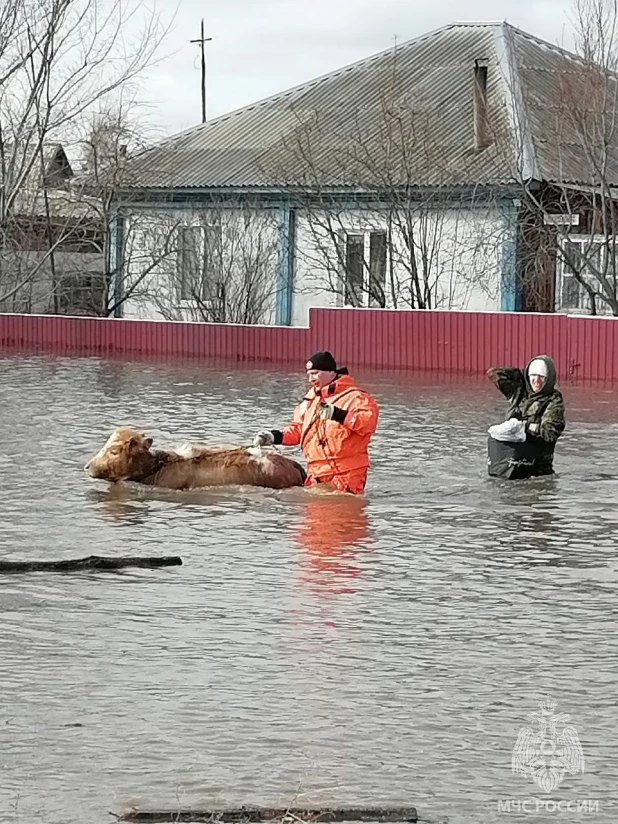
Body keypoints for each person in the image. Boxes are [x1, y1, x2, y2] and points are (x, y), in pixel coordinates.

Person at [253, 351, 379, 494]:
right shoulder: (309, 402)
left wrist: (338, 414)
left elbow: (367, 424)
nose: (310, 379)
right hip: (316, 474)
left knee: (343, 514)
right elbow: (298, 431)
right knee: (312, 515)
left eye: (315, 373)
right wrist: (273, 436)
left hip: (346, 473)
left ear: (331, 372)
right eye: (308, 375)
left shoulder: (356, 398)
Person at [486, 354, 566, 479]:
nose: (536, 381)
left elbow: (550, 432)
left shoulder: (553, 401)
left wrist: (526, 427)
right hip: (510, 462)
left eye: (541, 377)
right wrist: (521, 374)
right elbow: (494, 374)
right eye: (533, 376)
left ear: (548, 379)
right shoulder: (520, 393)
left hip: (538, 469)